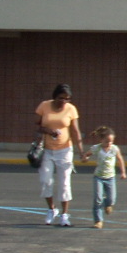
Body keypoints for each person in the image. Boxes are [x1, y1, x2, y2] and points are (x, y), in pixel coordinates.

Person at [35, 84, 84, 226]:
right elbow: (36, 124)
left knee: (64, 183)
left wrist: (81, 151)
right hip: (47, 150)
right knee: (45, 180)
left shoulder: (71, 109)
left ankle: (65, 215)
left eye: (67, 99)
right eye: (61, 98)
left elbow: (76, 131)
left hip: (65, 150)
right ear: (54, 97)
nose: (64, 101)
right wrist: (48, 131)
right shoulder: (44, 106)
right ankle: (51, 209)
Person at [84, 126, 126, 229]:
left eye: (111, 141)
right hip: (98, 177)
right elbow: (87, 154)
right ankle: (98, 221)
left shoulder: (114, 149)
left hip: (110, 177)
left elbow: (120, 160)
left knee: (111, 199)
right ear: (101, 140)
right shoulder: (96, 148)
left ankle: (108, 205)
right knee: (98, 199)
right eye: (107, 141)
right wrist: (85, 158)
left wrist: (123, 172)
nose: (109, 144)